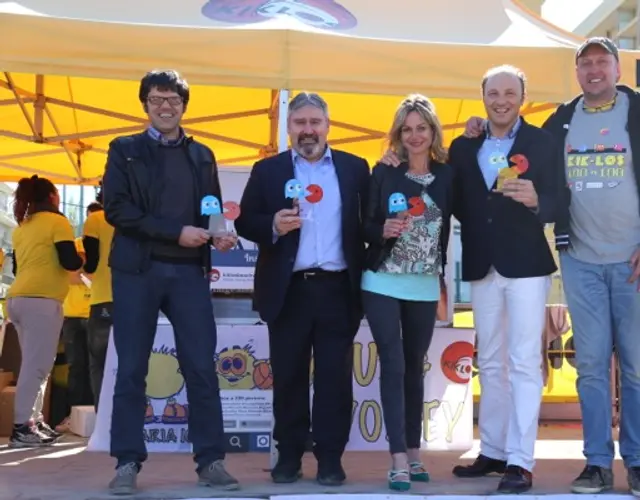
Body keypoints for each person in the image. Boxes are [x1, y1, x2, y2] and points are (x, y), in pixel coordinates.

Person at [464, 39, 640, 496]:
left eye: (603, 62)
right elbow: (515, 155)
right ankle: (596, 463)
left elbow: (547, 187)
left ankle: (634, 461)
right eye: (586, 63)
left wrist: (540, 202)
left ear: (619, 68)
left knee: (635, 367)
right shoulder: (559, 122)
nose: (594, 70)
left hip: (630, 258)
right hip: (578, 257)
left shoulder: (633, 112)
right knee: (590, 367)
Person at [383, 65, 557, 493]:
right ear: (483, 97)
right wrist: (393, 161)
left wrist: (540, 201)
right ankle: (495, 451)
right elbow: (440, 186)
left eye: (509, 93)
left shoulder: (543, 142)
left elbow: (561, 198)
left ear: (522, 96)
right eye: (493, 92)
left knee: (521, 361)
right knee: (493, 361)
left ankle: (520, 460)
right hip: (480, 266)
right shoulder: (464, 145)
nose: (501, 100)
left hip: (527, 266)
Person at [102, 69, 239, 495]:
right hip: (136, 273)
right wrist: (174, 231)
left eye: (173, 100)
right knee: (131, 371)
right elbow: (117, 211)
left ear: (184, 105)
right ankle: (126, 462)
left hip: (188, 275)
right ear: (145, 103)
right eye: (157, 98)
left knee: (201, 367)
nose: (165, 106)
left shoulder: (202, 155)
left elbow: (212, 206)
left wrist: (221, 233)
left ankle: (211, 460)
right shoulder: (123, 150)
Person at [235, 92, 369, 486]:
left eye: (315, 122)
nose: (308, 130)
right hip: (288, 291)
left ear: (328, 126)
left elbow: (370, 220)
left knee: (333, 380)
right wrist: (272, 225)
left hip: (337, 289)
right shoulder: (268, 170)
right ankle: (289, 456)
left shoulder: (355, 169)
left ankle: (330, 459)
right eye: (300, 123)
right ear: (289, 127)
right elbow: (245, 222)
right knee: (289, 377)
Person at [362, 94, 453, 491]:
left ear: (433, 131)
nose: (415, 136)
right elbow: (361, 223)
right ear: (398, 133)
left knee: (415, 366)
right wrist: (380, 228)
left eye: (422, 127)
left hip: (424, 284)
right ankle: (397, 455)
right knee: (394, 363)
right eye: (407, 128)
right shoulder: (384, 171)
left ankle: (414, 452)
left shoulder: (449, 174)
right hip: (382, 279)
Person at [6, 175, 83, 447]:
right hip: (42, 300)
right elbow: (70, 260)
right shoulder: (58, 222)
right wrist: (83, 259)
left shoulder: (22, 227)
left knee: (36, 365)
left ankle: (33, 421)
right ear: (52, 196)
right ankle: (21, 428)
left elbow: (16, 269)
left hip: (16, 299)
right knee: (36, 366)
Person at [56, 236, 93, 434]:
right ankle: (74, 414)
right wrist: (86, 273)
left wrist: (82, 273)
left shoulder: (105, 243)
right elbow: (69, 275)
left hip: (96, 314)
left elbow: (97, 276)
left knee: (96, 367)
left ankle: (99, 415)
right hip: (71, 317)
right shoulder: (77, 243)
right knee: (76, 367)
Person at [82, 185, 114, 410]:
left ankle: (104, 420)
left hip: (103, 298)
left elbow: (91, 263)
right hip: (137, 300)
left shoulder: (95, 219)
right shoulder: (138, 218)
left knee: (99, 364)